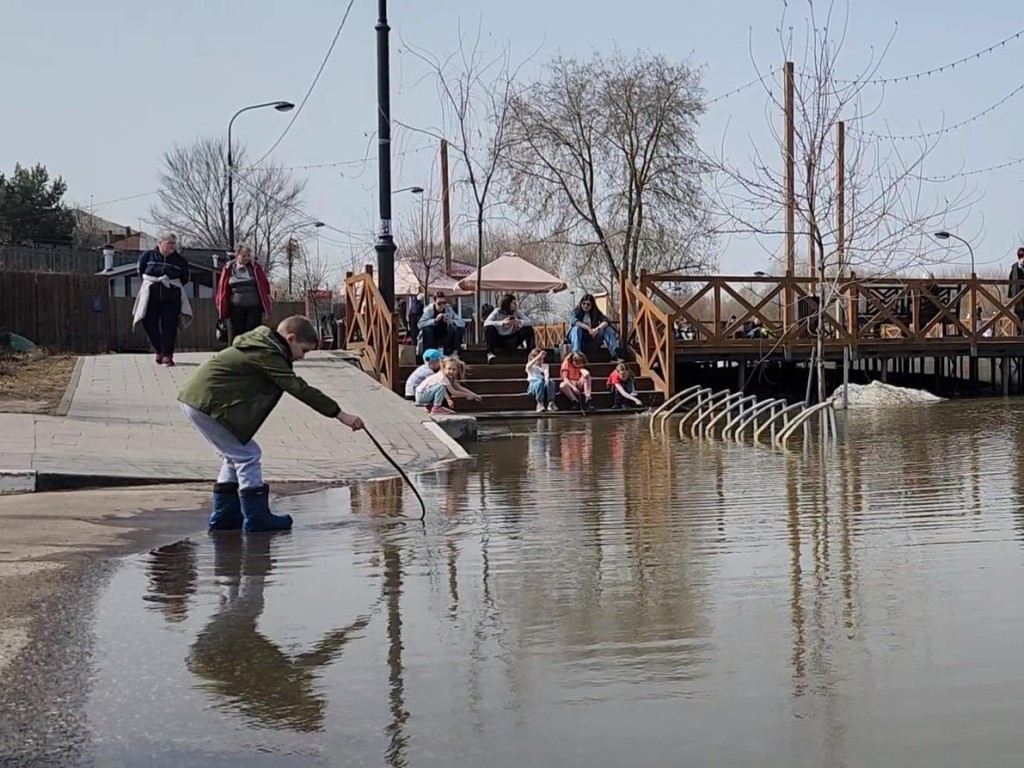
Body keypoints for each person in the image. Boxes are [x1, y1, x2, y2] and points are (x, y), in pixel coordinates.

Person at [178, 315, 365, 533]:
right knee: (248, 454)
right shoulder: (268, 353)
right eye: (304, 351)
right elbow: (298, 387)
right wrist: (340, 414)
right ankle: (257, 519)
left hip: (198, 400)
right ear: (291, 338)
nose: (302, 358)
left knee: (235, 455)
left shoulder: (263, 346)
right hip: (206, 403)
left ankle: (225, 516)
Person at [135, 231, 192, 366]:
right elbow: (141, 272)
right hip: (151, 296)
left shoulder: (180, 260)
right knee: (148, 322)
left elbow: (184, 278)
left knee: (169, 326)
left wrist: (170, 285)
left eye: (174, 244)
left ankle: (168, 355)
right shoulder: (147, 256)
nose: (172, 246)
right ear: (160, 243)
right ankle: (159, 349)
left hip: (171, 297)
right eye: (169, 243)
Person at [215, 246, 272, 341]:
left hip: (254, 306)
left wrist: (267, 301)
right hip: (236, 306)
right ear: (237, 255)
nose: (247, 258)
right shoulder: (229, 268)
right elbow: (222, 288)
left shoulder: (255, 268)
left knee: (253, 331)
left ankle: (253, 352)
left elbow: (264, 284)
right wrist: (221, 305)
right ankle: (239, 352)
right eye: (244, 255)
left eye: (249, 256)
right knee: (238, 332)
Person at [414, 357, 482, 415]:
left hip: (425, 394)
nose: (451, 371)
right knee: (441, 386)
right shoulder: (442, 377)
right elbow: (453, 392)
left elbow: (458, 387)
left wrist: (473, 394)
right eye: (449, 369)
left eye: (454, 369)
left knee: (440, 387)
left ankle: (431, 406)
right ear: (444, 369)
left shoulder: (450, 378)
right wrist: (467, 395)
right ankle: (436, 408)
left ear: (457, 370)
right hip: (421, 395)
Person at [484, 294, 536, 363]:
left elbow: (531, 322)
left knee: (528, 329)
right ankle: (490, 353)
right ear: (507, 303)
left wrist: (519, 321)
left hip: (512, 339)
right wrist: (502, 323)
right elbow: (486, 323)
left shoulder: (516, 312)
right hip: (499, 340)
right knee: (489, 328)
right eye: (513, 303)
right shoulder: (497, 311)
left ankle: (532, 354)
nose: (515, 305)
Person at [568, 294, 622, 361]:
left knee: (607, 329)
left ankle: (615, 353)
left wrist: (597, 329)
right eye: (583, 303)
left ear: (592, 305)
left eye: (588, 304)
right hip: (579, 340)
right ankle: (576, 354)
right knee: (576, 329)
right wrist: (588, 328)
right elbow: (574, 321)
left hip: (591, 339)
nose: (585, 306)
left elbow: (606, 321)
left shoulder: (595, 313)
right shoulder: (575, 312)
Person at [418, 291, 466, 357]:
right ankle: (429, 354)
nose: (442, 305)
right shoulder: (429, 310)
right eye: (439, 303)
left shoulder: (448, 309)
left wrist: (452, 321)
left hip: (446, 337)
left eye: (444, 303)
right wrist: (435, 320)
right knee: (427, 329)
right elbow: (420, 324)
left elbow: (462, 323)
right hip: (432, 339)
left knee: (458, 328)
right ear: (434, 302)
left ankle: (455, 353)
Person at [525, 348, 558, 412]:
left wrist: (547, 380)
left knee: (551, 382)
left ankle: (551, 403)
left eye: (542, 359)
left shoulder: (545, 365)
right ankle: (540, 403)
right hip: (533, 385)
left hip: (543, 383)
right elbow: (528, 366)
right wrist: (538, 356)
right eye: (538, 359)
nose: (540, 361)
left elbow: (546, 373)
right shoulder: (531, 366)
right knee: (540, 382)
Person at [1009, 248, 1024, 335]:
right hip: (1018, 296)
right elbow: (1011, 282)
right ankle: (1019, 334)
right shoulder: (1014, 267)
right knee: (1019, 316)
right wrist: (1012, 295)